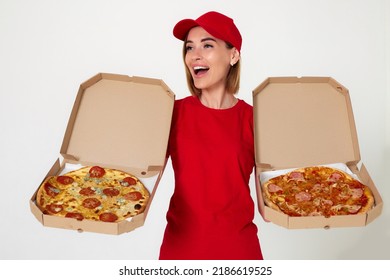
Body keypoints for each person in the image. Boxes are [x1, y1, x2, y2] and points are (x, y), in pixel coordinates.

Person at [159, 11, 263, 260]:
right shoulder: (170, 112)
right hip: (181, 251)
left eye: (207, 45)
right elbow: (138, 180)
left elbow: (270, 208)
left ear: (233, 55)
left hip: (239, 252)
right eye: (189, 48)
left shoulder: (256, 119)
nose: (195, 55)